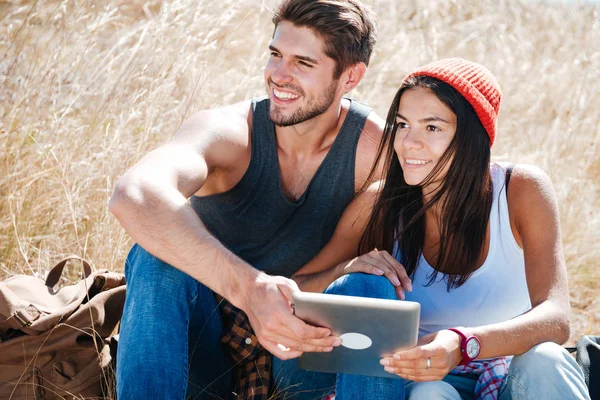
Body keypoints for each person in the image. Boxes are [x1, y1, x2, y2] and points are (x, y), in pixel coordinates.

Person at [107, 1, 397, 399]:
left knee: (376, 291)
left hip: (302, 351)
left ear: (350, 77)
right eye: (276, 54)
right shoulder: (229, 132)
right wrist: (252, 291)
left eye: (303, 63)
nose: (278, 75)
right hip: (207, 347)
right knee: (155, 257)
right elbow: (134, 194)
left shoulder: (376, 152)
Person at [275, 58, 590, 399]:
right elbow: (296, 290)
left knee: (545, 359)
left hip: (508, 378)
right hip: (419, 384)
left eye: (432, 128)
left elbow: (557, 320)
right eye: (402, 124)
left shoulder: (520, 190)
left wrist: (462, 343)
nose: (409, 142)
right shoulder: (379, 205)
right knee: (430, 393)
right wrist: (345, 270)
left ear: (473, 138)